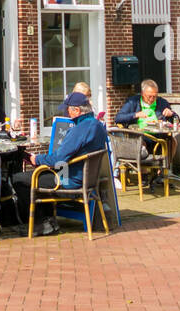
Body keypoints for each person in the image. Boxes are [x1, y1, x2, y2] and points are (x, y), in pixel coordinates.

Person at [12, 96, 108, 235]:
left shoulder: (79, 129)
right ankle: (49, 220)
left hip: (68, 178)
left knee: (19, 179)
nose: (67, 114)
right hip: (88, 178)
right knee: (41, 176)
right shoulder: (98, 125)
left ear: (77, 110)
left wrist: (36, 159)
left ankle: (41, 224)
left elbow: (59, 159)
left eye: (68, 110)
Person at [114, 80, 179, 128]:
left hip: (159, 135)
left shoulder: (162, 103)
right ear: (142, 93)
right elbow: (118, 118)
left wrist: (172, 114)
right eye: (149, 96)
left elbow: (177, 120)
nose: (151, 99)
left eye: (154, 96)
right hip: (139, 136)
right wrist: (136, 115)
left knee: (173, 141)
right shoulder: (133, 102)